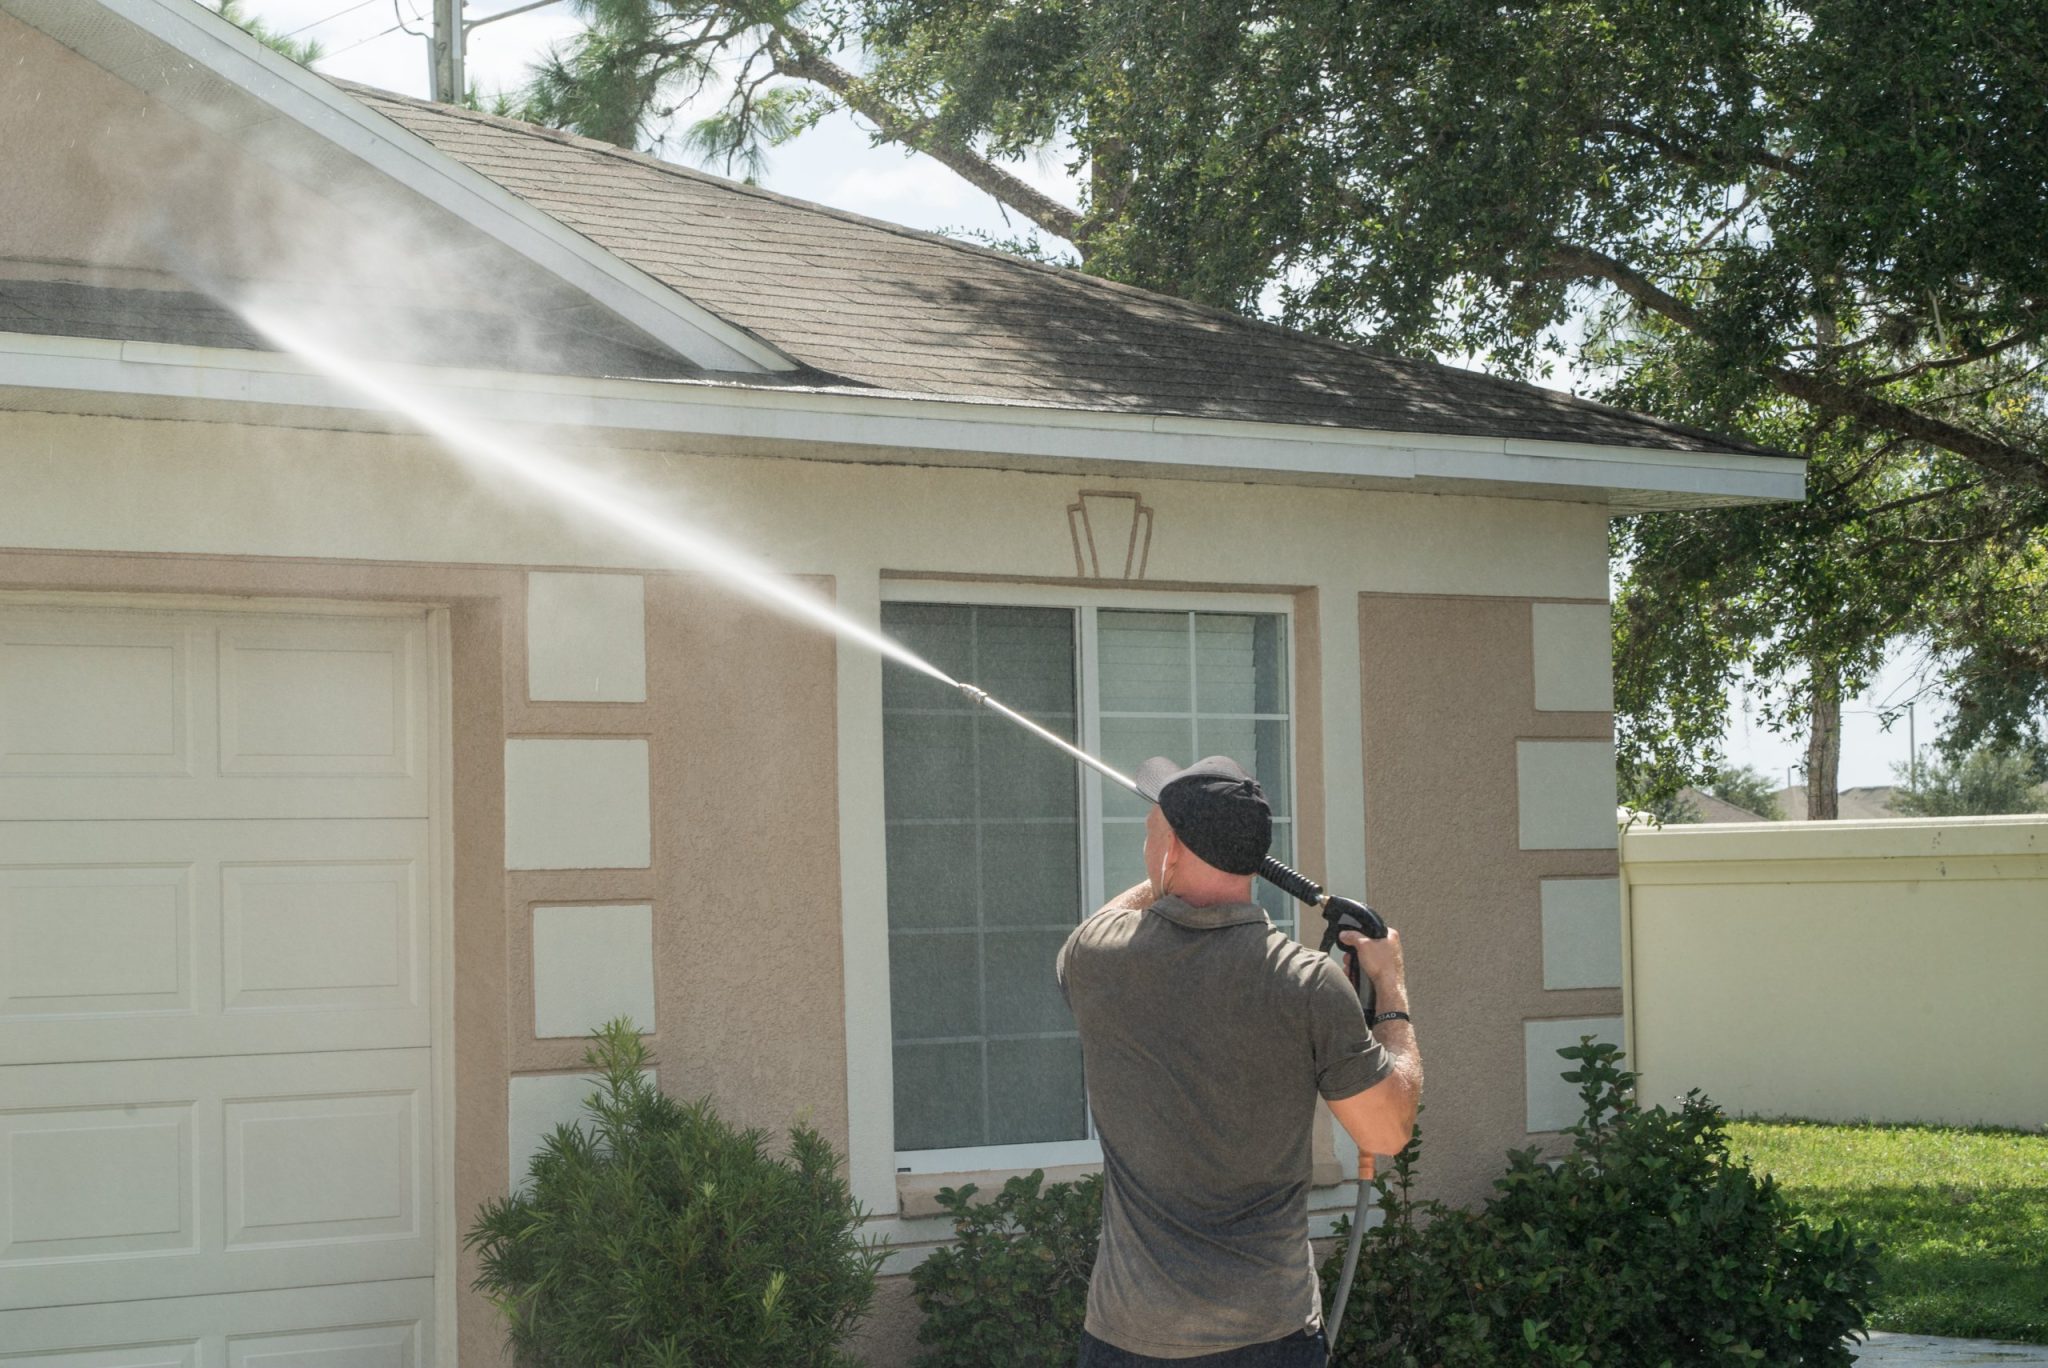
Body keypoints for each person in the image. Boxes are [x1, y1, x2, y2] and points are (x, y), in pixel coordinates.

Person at [1056, 755, 1423, 1367]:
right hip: (1269, 1338)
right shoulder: (1308, 984)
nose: (1146, 846)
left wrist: (1172, 873)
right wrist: (1390, 989)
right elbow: (1386, 1131)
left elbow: (1109, 918)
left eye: (1151, 833)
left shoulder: (1098, 959)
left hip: (1128, 1338)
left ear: (1171, 849)